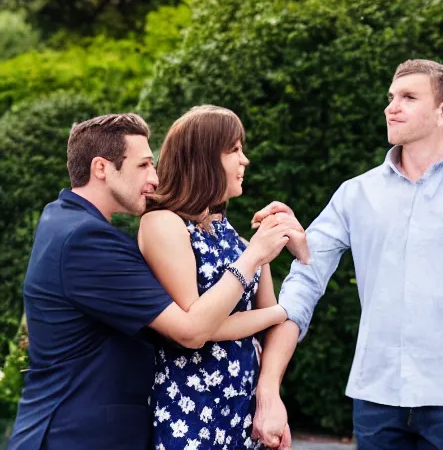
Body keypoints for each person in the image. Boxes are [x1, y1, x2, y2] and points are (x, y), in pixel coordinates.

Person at [251, 59, 443, 450]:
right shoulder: (356, 193)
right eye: (390, 97)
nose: (391, 107)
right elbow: (306, 277)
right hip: (376, 398)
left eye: (408, 97)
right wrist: (269, 387)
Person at [9, 113, 297, 450]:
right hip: (80, 435)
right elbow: (191, 330)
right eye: (144, 165)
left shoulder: (62, 219)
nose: (155, 178)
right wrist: (278, 300)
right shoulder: (86, 239)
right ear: (102, 168)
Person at [139, 105, 309, 449]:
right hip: (190, 407)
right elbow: (196, 327)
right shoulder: (163, 223)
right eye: (234, 150)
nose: (244, 160)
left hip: (244, 408)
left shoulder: (236, 239)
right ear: (202, 158)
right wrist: (277, 298)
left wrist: (271, 401)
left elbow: (267, 326)